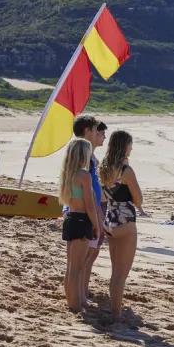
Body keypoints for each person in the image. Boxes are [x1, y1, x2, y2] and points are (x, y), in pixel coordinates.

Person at [99, 130, 143, 324]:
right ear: (124, 146)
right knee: (121, 273)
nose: (132, 148)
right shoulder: (126, 171)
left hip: (110, 219)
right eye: (130, 144)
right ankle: (116, 315)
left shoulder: (103, 168)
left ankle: (114, 310)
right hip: (125, 222)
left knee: (115, 271)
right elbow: (138, 199)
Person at [58, 138, 101, 313]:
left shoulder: (67, 174)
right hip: (82, 220)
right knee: (77, 268)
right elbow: (90, 205)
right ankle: (75, 305)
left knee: (71, 267)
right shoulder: (84, 175)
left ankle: (72, 302)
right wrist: (97, 226)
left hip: (71, 218)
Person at [71, 115, 108, 302]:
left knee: (91, 253)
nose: (99, 134)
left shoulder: (89, 156)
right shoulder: (82, 156)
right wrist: (96, 214)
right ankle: (79, 295)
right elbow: (85, 187)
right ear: (87, 132)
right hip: (86, 210)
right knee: (83, 257)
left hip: (92, 207)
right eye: (96, 130)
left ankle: (83, 291)